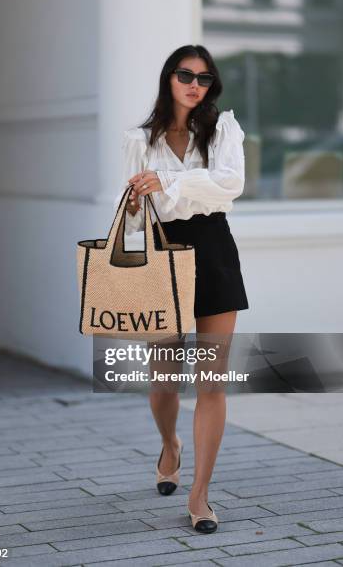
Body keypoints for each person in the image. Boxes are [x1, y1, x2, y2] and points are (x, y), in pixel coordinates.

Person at [112, 44, 249, 533]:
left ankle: (200, 495)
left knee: (212, 380)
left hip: (213, 249)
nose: (195, 84)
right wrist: (134, 200)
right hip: (160, 252)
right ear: (169, 78)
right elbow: (128, 217)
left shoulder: (223, 128)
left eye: (205, 78)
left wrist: (168, 182)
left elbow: (230, 183)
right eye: (185, 74)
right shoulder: (138, 139)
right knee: (164, 379)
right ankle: (170, 444)